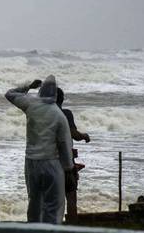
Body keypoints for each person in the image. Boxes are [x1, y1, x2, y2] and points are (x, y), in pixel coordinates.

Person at [5, 75, 74, 224]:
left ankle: (34, 228)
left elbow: (9, 94)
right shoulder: (59, 115)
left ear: (41, 90)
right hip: (51, 163)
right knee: (53, 206)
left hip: (31, 162)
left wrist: (28, 86)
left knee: (34, 202)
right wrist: (69, 168)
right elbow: (65, 144)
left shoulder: (30, 104)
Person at [56, 87, 90, 223]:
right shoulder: (65, 113)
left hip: (46, 161)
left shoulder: (42, 113)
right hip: (65, 162)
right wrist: (85, 136)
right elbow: (74, 135)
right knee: (70, 197)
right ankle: (72, 225)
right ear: (62, 99)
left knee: (50, 200)